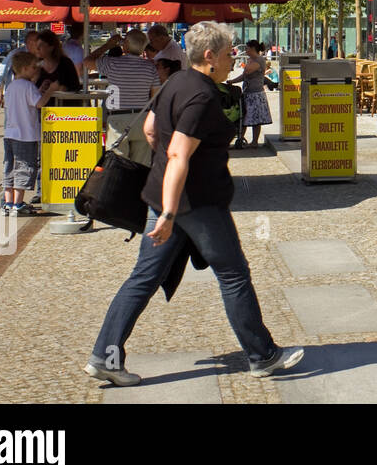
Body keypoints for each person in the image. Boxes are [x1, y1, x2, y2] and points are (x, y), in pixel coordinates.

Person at [85, 21, 304, 387]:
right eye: (228, 51)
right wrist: (171, 211)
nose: (232, 56)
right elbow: (178, 154)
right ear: (210, 56)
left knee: (144, 278)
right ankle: (262, 355)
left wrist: (166, 201)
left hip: (168, 197)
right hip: (197, 203)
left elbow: (152, 129)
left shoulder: (176, 82)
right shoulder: (203, 96)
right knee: (233, 275)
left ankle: (104, 355)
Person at [87, 29, 159, 167]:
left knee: (117, 166)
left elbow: (88, 61)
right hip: (141, 118)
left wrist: (108, 45)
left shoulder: (112, 63)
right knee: (140, 168)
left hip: (118, 119)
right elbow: (154, 97)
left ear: (125, 45)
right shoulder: (150, 67)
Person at [1, 52, 57, 214]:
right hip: (25, 135)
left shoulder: (11, 86)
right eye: (33, 67)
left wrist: (39, 89)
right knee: (24, 167)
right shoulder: (28, 86)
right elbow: (39, 103)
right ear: (25, 69)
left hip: (10, 134)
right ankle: (19, 204)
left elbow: (22, 101)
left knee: (9, 168)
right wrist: (50, 91)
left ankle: (8, 203)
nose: (36, 70)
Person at [0, 30, 39, 127]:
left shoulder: (39, 55)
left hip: (31, 97)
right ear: (29, 42)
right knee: (11, 123)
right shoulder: (16, 54)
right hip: (15, 95)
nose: (40, 44)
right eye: (37, 41)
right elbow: (0, 72)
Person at [231, 40, 273, 148]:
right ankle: (241, 138)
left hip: (256, 94)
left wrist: (246, 64)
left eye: (247, 48)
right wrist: (232, 82)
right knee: (244, 117)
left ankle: (254, 142)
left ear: (253, 48)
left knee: (256, 120)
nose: (246, 51)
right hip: (248, 93)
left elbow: (247, 72)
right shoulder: (252, 60)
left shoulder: (259, 60)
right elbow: (244, 76)